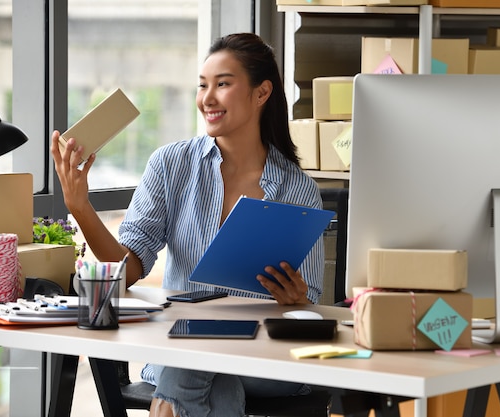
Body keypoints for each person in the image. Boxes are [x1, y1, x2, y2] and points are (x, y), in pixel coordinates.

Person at [51, 32, 325, 417]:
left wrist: (298, 299)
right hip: (183, 350)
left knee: (195, 358)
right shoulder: (170, 165)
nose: (206, 98)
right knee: (213, 376)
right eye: (202, 86)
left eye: (223, 84)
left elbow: (311, 301)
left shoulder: (298, 189)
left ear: (261, 93)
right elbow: (128, 270)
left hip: (265, 358)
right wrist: (80, 207)